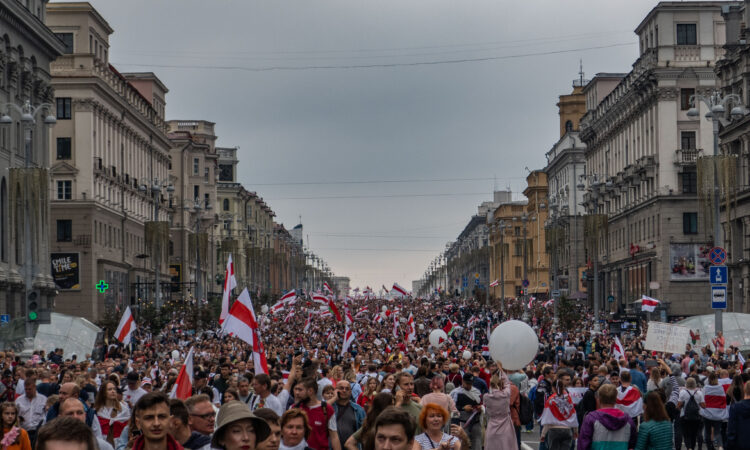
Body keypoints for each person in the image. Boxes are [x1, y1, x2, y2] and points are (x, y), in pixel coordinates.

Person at [577, 384, 637, 450]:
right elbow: (632, 445)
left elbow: (583, 445)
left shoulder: (590, 419)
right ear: (616, 399)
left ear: (599, 399)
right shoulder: (628, 421)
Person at [291, 378, 341, 450]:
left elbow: (334, 436)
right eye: (296, 389)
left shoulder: (327, 409)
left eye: (300, 390)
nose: (297, 393)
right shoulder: (294, 408)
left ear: (310, 391)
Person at [540, 370, 577, 450]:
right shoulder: (568, 398)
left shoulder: (551, 400)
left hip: (554, 429)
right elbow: (573, 414)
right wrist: (575, 431)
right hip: (567, 429)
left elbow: (547, 418)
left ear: (553, 388)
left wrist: (543, 434)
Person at [483, 370, 517, 450]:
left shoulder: (486, 397)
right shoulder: (505, 394)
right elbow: (507, 383)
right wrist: (501, 371)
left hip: (492, 426)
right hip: (506, 426)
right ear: (501, 384)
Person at [448, 373, 481, 450]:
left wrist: (480, 408)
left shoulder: (477, 391)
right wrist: (462, 408)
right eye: (467, 383)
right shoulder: (455, 393)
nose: (469, 386)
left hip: (476, 423)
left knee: (477, 445)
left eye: (471, 383)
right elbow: (451, 410)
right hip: (462, 424)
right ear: (462, 381)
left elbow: (482, 404)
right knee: (462, 445)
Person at [331, 381, 365, 448]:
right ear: (335, 390)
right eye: (341, 388)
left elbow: (365, 430)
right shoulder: (329, 407)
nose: (344, 390)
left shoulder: (358, 409)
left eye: (347, 389)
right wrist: (334, 398)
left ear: (350, 392)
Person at [15, 374, 46, 447]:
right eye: (26, 389)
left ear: (35, 387)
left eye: (30, 389)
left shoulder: (43, 399)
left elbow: (46, 414)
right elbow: (15, 415)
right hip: (24, 431)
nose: (28, 391)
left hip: (38, 432)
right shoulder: (19, 400)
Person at [700, 372, 728, 450]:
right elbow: (723, 400)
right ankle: (720, 446)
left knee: (707, 432)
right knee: (717, 432)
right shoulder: (720, 387)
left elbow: (702, 400)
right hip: (718, 414)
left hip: (707, 413)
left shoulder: (705, 387)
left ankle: (710, 447)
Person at [678, 377, 706, 450]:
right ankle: (692, 447)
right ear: (695, 384)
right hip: (696, 416)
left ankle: (689, 447)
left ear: (686, 384)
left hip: (684, 416)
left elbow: (678, 406)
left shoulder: (683, 392)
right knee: (694, 434)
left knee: (686, 434)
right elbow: (703, 406)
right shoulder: (699, 393)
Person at [727, 380, 750, 450]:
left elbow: (731, 428)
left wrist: (729, 444)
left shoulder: (735, 407)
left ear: (745, 390)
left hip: (740, 443)